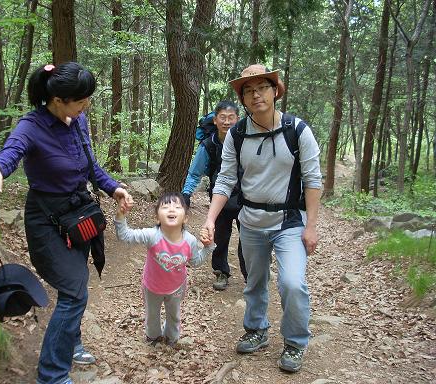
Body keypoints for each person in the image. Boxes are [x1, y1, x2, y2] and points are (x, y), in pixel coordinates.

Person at [0, 62, 134, 384]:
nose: (86, 105)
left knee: (76, 286)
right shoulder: (32, 126)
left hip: (77, 215)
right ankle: (51, 375)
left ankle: (71, 342)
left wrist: (114, 187)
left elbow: (91, 167)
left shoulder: (79, 121)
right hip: (46, 221)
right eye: (81, 100)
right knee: (75, 293)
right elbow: (10, 152)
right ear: (58, 99)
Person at [201, 64, 322, 373]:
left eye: (262, 88)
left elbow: (313, 180)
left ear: (275, 91)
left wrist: (311, 227)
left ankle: (295, 343)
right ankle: (256, 330)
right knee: (254, 282)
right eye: (249, 90)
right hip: (252, 220)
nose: (256, 95)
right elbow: (225, 180)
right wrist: (211, 219)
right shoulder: (238, 134)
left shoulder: (297, 130)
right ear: (243, 98)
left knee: (292, 283)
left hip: (289, 220)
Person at [114, 192, 215, 345]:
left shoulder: (190, 241)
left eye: (177, 207)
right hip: (152, 287)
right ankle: (153, 337)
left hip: (177, 288)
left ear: (185, 217)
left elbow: (195, 262)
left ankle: (171, 338)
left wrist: (207, 247)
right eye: (165, 206)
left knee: (174, 315)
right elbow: (126, 236)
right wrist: (121, 215)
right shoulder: (152, 235)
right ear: (157, 217)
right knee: (152, 314)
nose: (171, 209)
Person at [181, 101, 246, 291]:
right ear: (215, 120)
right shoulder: (209, 145)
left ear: (237, 120)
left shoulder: (246, 141)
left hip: (246, 197)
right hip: (221, 198)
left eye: (231, 118)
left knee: (249, 238)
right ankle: (221, 272)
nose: (227, 122)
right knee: (220, 235)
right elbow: (195, 173)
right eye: (222, 118)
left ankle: (251, 275)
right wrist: (186, 194)